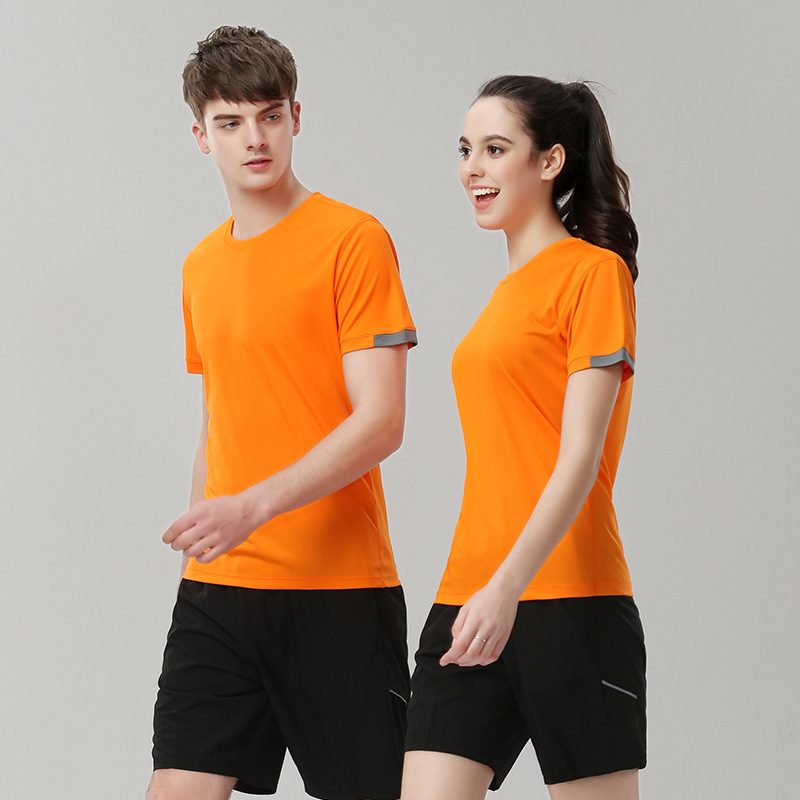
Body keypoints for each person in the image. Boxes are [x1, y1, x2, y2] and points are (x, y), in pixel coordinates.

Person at [147, 26, 417, 800]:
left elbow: (381, 421)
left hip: (337, 591)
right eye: (230, 122)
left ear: (296, 116)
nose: (255, 138)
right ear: (202, 136)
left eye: (269, 115)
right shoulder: (201, 265)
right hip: (219, 592)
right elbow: (219, 418)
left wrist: (252, 507)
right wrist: (199, 559)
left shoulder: (353, 241)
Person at [401, 76, 645, 800]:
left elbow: (580, 456)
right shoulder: (505, 294)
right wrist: (490, 590)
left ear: (550, 161)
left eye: (495, 148)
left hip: (569, 598)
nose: (472, 168)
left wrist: (508, 587)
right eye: (465, 150)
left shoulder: (593, 275)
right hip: (469, 596)